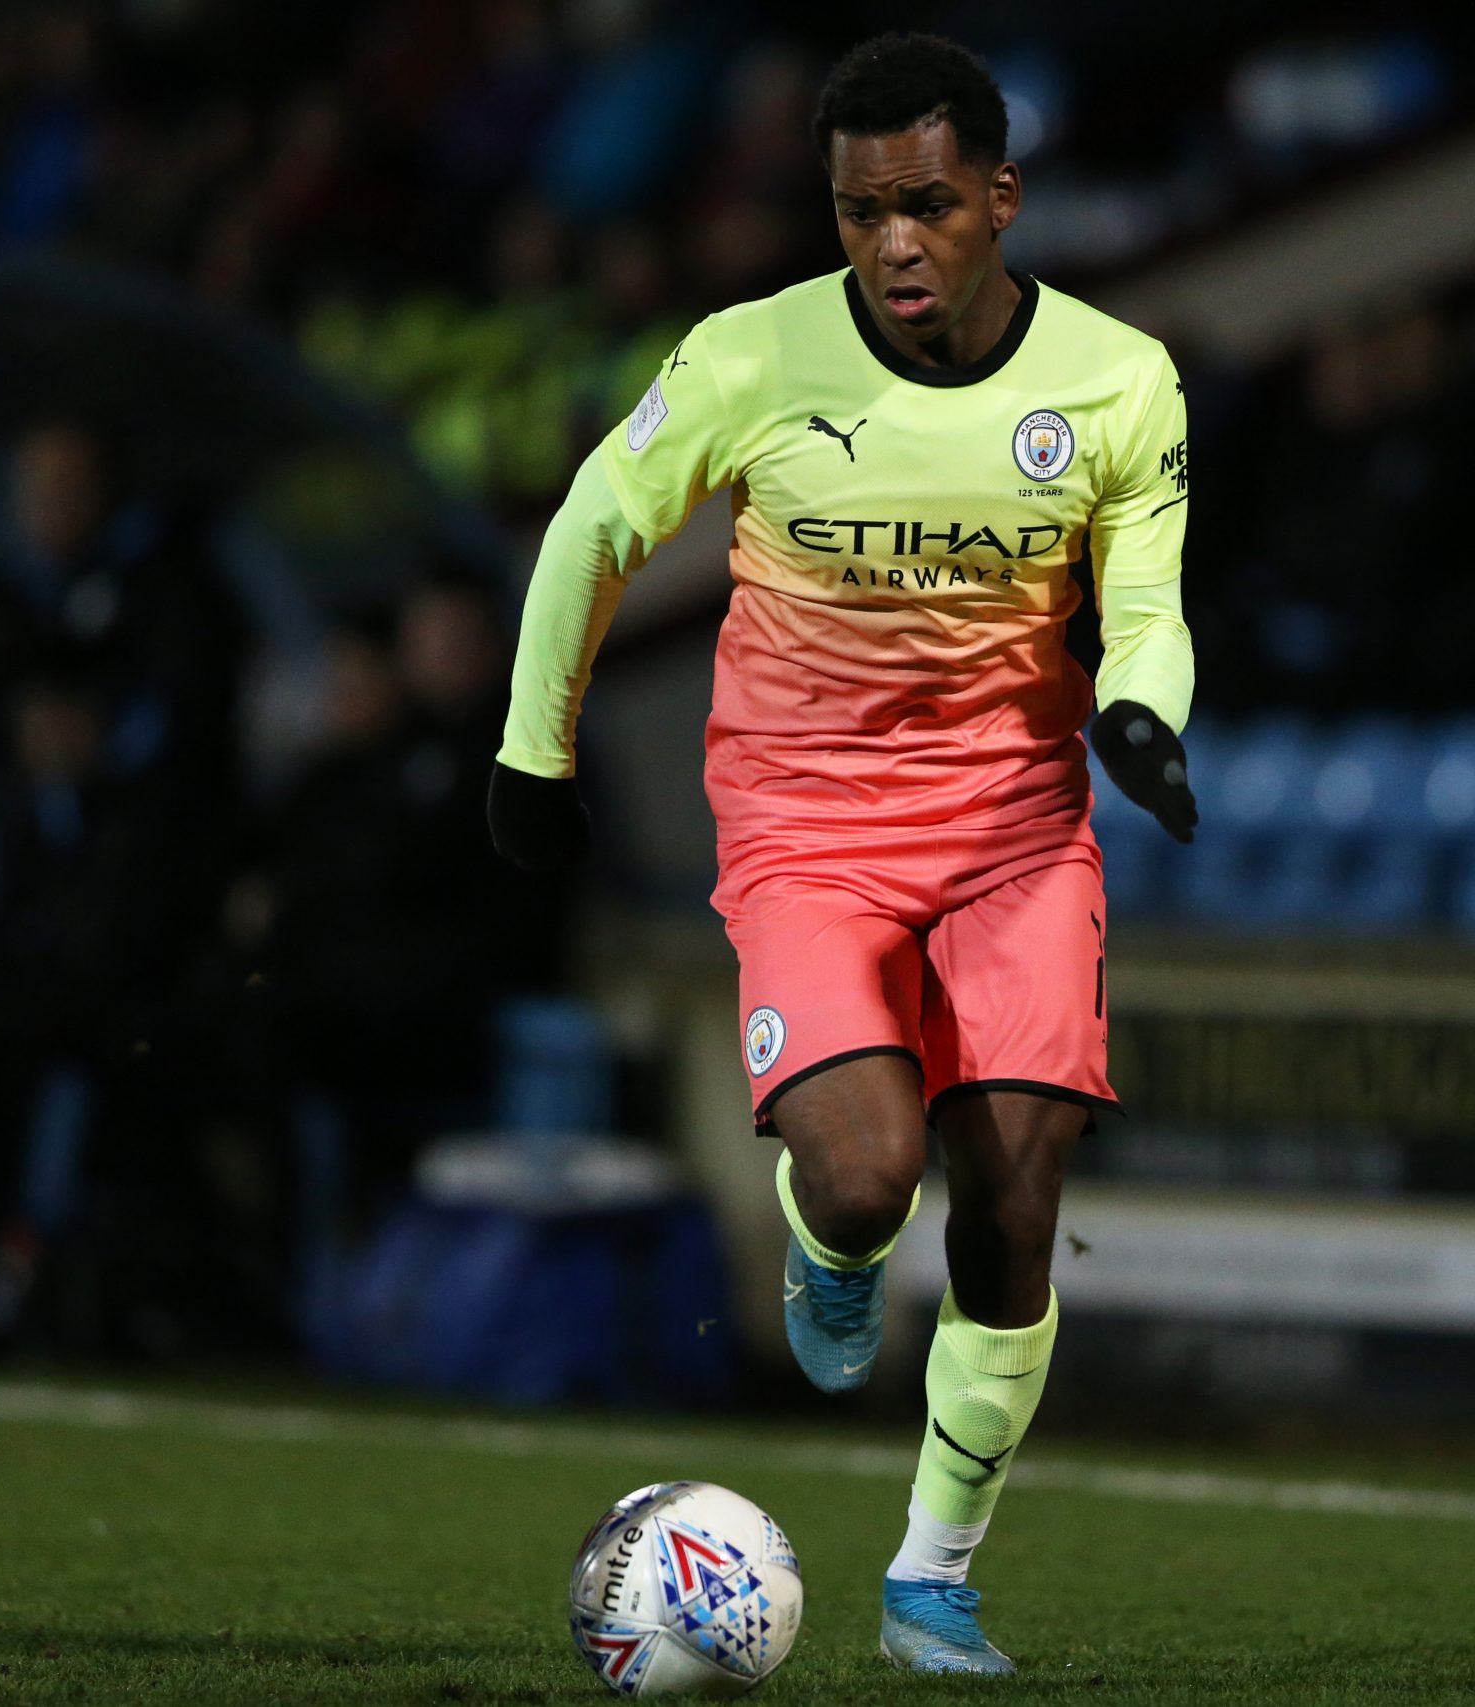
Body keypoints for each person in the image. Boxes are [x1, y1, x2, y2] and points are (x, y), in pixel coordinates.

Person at [487, 32, 1196, 1677]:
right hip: (808, 829)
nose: (892, 244)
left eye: (928, 205)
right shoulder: (750, 358)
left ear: (1000, 197)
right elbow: (595, 523)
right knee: (873, 1170)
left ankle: (932, 1579)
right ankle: (835, 1246)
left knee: (1015, 1198)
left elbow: (1149, 606)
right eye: (860, 209)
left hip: (1020, 833)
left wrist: (1144, 717)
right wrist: (536, 748)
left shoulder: (1116, 380)